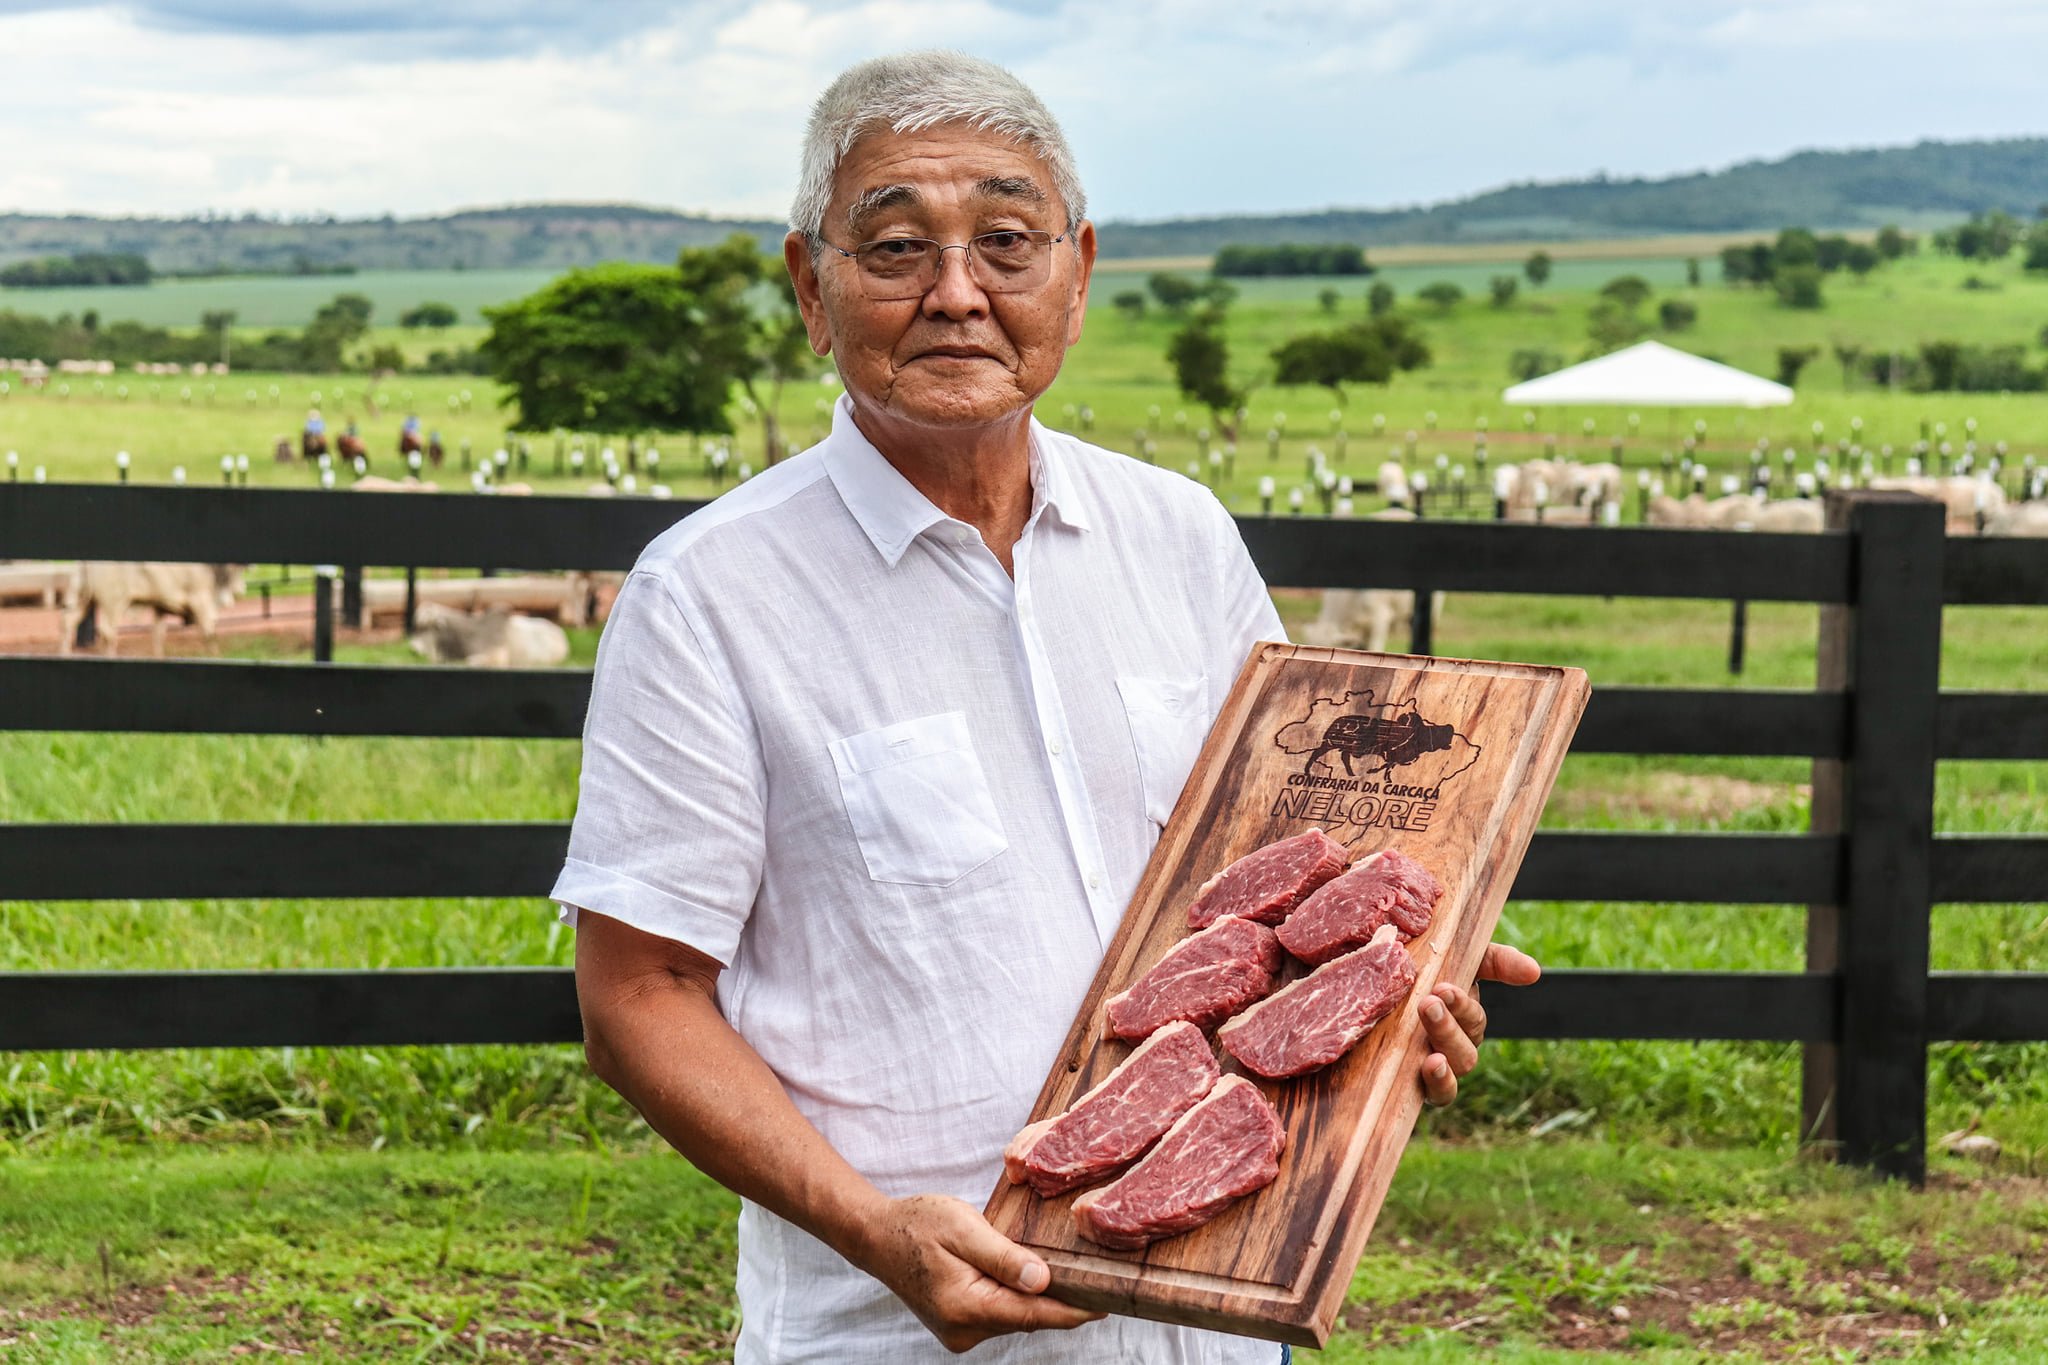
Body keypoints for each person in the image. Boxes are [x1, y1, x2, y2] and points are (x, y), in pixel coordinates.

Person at [554, 50, 1540, 1364]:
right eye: (897, 246)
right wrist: (876, 1226)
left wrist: (1389, 1001)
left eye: (1007, 243)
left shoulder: (1179, 538)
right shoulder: (709, 597)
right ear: (811, 286)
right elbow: (641, 992)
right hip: (893, 1333)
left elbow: (1281, 878)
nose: (957, 293)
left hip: (1222, 1312)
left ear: (1077, 274)